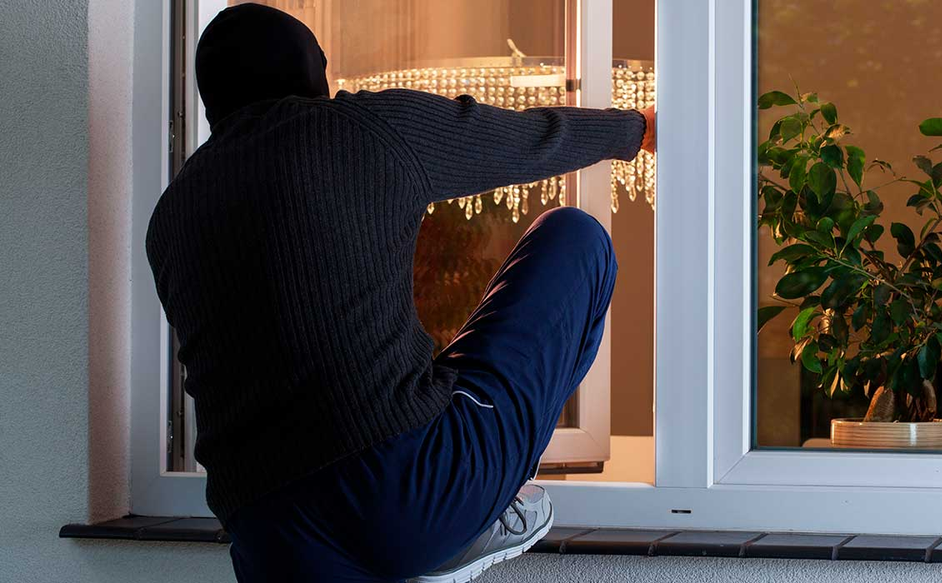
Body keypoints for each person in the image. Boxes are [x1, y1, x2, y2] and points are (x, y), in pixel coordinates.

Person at [145, 4, 655, 582]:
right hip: (410, 496)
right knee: (575, 238)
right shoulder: (361, 129)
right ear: (312, 73)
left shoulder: (170, 217)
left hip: (266, 533)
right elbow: (523, 141)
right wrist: (636, 128)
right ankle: (476, 522)